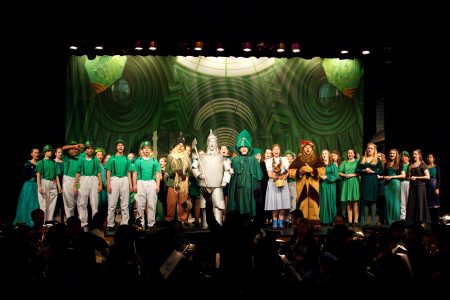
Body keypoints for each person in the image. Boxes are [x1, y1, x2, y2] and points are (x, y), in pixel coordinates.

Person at [192, 129, 233, 227]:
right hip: (205, 185)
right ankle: (205, 224)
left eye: (214, 142)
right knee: (204, 206)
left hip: (218, 186)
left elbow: (229, 170)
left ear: (216, 143)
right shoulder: (201, 156)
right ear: (207, 143)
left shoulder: (222, 157)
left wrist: (224, 181)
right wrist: (199, 175)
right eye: (210, 142)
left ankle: (218, 224)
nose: (212, 144)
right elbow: (194, 167)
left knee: (218, 206)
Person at [227, 130, 262, 220]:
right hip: (239, 187)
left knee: (250, 203)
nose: (243, 148)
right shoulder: (235, 160)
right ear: (239, 148)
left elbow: (258, 178)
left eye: (245, 146)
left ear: (248, 148)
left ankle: (250, 219)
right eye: (242, 147)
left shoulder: (253, 160)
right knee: (239, 204)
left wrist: (257, 189)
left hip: (250, 187)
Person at [288, 140, 324, 224]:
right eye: (306, 147)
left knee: (314, 203)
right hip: (302, 186)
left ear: (312, 149)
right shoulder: (298, 160)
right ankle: (303, 222)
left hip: (313, 186)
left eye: (309, 147)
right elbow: (291, 171)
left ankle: (314, 222)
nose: (308, 149)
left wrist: (313, 170)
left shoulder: (317, 160)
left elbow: (322, 171)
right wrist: (299, 171)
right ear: (303, 149)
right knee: (302, 203)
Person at [73, 141, 103, 227]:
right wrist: (75, 185)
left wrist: (100, 184)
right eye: (88, 148)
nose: (90, 150)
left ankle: (95, 222)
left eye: (91, 148)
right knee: (83, 201)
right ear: (85, 150)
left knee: (94, 202)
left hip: (93, 179)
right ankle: (83, 222)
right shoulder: (81, 160)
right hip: (83, 179)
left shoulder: (95, 160)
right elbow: (78, 173)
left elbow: (99, 173)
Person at [164, 133, 192, 227]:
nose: (180, 147)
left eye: (182, 145)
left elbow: (189, 171)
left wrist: (184, 175)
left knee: (183, 202)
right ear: (176, 146)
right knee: (171, 203)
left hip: (183, 183)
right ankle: (169, 220)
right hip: (172, 183)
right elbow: (167, 171)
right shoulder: (171, 157)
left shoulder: (186, 158)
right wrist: (175, 172)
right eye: (179, 145)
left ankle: (183, 219)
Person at [132, 141, 161, 228]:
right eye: (145, 148)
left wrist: (157, 185)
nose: (147, 150)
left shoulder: (154, 161)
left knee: (151, 204)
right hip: (140, 182)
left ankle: (151, 223)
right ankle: (141, 223)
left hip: (151, 182)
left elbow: (157, 174)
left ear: (151, 150)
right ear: (142, 150)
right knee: (140, 204)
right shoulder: (138, 161)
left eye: (148, 148)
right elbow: (134, 173)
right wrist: (134, 185)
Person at [105, 139, 132, 229]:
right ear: (116, 147)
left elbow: (128, 172)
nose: (120, 146)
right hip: (114, 179)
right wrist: (108, 184)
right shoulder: (112, 158)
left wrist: (130, 184)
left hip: (124, 179)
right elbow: (108, 172)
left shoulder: (126, 159)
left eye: (122, 145)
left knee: (124, 204)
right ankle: (110, 223)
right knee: (112, 203)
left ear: (124, 147)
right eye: (118, 145)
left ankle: (124, 223)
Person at [357, 143, 383, 225]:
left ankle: (372, 221)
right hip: (364, 181)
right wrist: (364, 170)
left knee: (372, 201)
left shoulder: (377, 159)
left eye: (371, 148)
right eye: (368, 148)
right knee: (365, 201)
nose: (369, 150)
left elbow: (381, 170)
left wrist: (373, 172)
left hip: (373, 181)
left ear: (374, 150)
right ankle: (365, 221)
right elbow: (357, 169)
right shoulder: (362, 158)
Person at [13, 148, 41, 227]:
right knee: (28, 202)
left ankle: (36, 220)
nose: (37, 154)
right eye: (35, 153)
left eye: (38, 152)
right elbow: (23, 174)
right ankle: (26, 219)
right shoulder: (27, 163)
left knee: (36, 202)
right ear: (31, 154)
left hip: (38, 185)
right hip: (29, 185)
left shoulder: (40, 163)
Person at [36, 145, 62, 222]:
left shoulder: (54, 162)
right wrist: (39, 186)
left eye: (51, 151)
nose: (51, 152)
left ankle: (49, 221)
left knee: (52, 203)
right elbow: (38, 175)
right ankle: (43, 222)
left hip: (53, 182)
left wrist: (59, 186)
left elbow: (57, 175)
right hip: (44, 181)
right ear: (45, 152)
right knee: (44, 203)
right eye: (49, 151)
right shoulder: (41, 162)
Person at [406, 149, 431, 225]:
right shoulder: (411, 165)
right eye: (413, 154)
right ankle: (412, 220)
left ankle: (421, 220)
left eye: (416, 154)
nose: (414, 155)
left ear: (419, 155)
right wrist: (409, 178)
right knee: (412, 202)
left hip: (420, 186)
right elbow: (408, 176)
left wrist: (417, 177)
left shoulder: (422, 165)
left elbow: (428, 177)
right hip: (412, 186)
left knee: (420, 203)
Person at [426, 153, 440, 223]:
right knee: (428, 202)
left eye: (430, 157)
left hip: (434, 185)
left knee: (435, 202)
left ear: (433, 159)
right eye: (428, 157)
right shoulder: (426, 167)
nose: (429, 158)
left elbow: (439, 178)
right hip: (427, 185)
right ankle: (429, 219)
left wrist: (437, 188)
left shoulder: (436, 167)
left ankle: (436, 219)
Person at [400, 151, 411, 221]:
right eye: (403, 156)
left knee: (409, 200)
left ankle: (409, 216)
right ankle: (402, 217)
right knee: (402, 200)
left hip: (409, 183)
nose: (404, 158)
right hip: (401, 183)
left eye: (405, 156)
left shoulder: (411, 165)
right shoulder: (400, 165)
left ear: (408, 157)